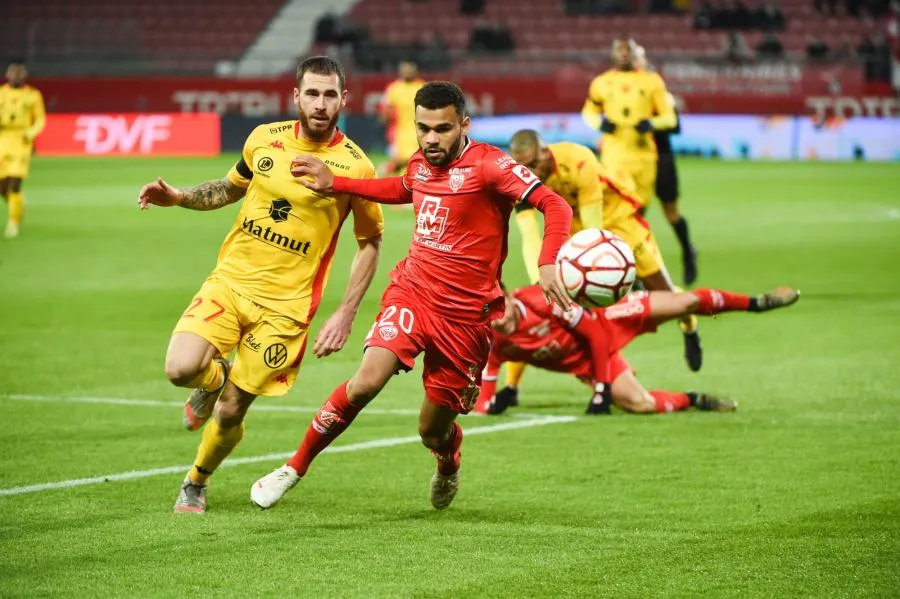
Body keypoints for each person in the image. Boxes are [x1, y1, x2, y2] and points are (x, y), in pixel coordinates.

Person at [250, 81, 573, 511]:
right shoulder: (421, 162)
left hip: (465, 319)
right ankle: (293, 467)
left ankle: (447, 459)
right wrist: (337, 184)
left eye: (442, 129)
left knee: (431, 430)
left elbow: (556, 205)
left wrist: (549, 261)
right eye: (423, 128)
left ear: (464, 125)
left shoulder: (491, 166)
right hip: (413, 293)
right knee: (366, 382)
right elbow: (403, 188)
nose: (430, 139)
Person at [136, 56, 385, 514]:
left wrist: (346, 312)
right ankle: (213, 379)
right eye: (312, 93)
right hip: (231, 282)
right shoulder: (263, 139)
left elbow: (370, 242)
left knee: (232, 411)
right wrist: (180, 198)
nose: (321, 103)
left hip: (286, 308)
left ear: (344, 100)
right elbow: (230, 188)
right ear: (296, 96)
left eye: (330, 95)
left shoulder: (357, 168)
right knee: (180, 369)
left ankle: (196, 481)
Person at [499, 130, 702, 409]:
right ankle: (512, 386)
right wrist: (540, 278)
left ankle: (690, 329)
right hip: (572, 229)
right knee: (535, 306)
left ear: (545, 153)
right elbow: (529, 234)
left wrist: (604, 273)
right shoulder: (521, 180)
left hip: (617, 220)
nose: (530, 172)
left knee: (666, 293)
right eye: (525, 168)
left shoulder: (578, 159)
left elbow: (594, 230)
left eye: (534, 165)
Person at [478, 284, 800, 416]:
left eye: (499, 308)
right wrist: (497, 402)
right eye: (487, 315)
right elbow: (481, 403)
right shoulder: (492, 342)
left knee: (684, 302)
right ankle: (693, 398)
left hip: (607, 321)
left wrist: (602, 392)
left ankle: (755, 304)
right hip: (591, 361)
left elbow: (596, 335)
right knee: (639, 404)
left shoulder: (542, 300)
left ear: (507, 296)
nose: (497, 320)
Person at [581, 39, 676, 210]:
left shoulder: (652, 81)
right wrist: (599, 124)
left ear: (634, 54)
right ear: (612, 54)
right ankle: (618, 236)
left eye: (627, 51)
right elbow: (588, 112)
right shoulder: (601, 82)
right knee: (618, 202)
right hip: (615, 152)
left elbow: (670, 118)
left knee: (640, 204)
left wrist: (651, 123)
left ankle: (630, 236)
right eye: (620, 50)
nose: (623, 54)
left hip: (643, 153)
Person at [633, 45, 698, 286]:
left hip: (662, 158)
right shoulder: (619, 90)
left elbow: (675, 126)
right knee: (634, 215)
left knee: (671, 213)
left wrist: (651, 124)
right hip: (634, 160)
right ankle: (636, 272)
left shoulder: (657, 90)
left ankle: (688, 252)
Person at [0, 58, 46, 239]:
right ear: (7, 75)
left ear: (24, 76)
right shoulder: (1, 93)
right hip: (2, 141)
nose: (16, 76)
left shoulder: (33, 95)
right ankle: (17, 204)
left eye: (19, 73)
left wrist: (30, 133)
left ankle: (13, 223)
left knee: (15, 183)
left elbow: (41, 119)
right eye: (13, 73)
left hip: (21, 141)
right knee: (3, 187)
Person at [379, 61, 425, 176]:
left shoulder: (423, 87)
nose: (407, 72)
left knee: (416, 161)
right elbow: (385, 111)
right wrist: (386, 116)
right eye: (404, 70)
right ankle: (385, 172)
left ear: (416, 71)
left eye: (410, 70)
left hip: (419, 130)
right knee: (402, 160)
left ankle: (388, 170)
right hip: (399, 131)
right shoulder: (394, 88)